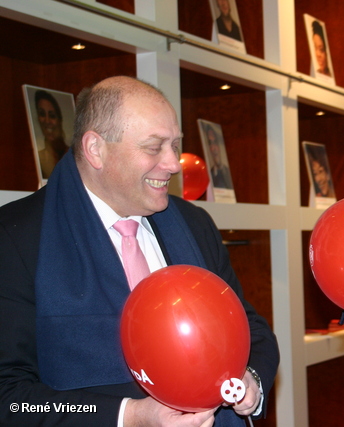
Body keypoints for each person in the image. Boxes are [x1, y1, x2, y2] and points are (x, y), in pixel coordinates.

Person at [0, 76, 279, 426]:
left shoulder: (194, 224)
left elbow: (249, 329)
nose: (174, 163)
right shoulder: (15, 238)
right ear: (95, 149)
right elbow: (10, 398)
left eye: (175, 145)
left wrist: (251, 380)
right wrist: (127, 416)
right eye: (153, 147)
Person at [34, 90, 69, 179]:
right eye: (42, 114)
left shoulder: (73, 156)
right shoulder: (39, 158)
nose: (47, 121)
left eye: (52, 115)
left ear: (59, 120)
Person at [204, 123, 233, 190]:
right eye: (211, 144)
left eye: (215, 143)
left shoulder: (228, 172)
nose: (214, 148)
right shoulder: (208, 175)